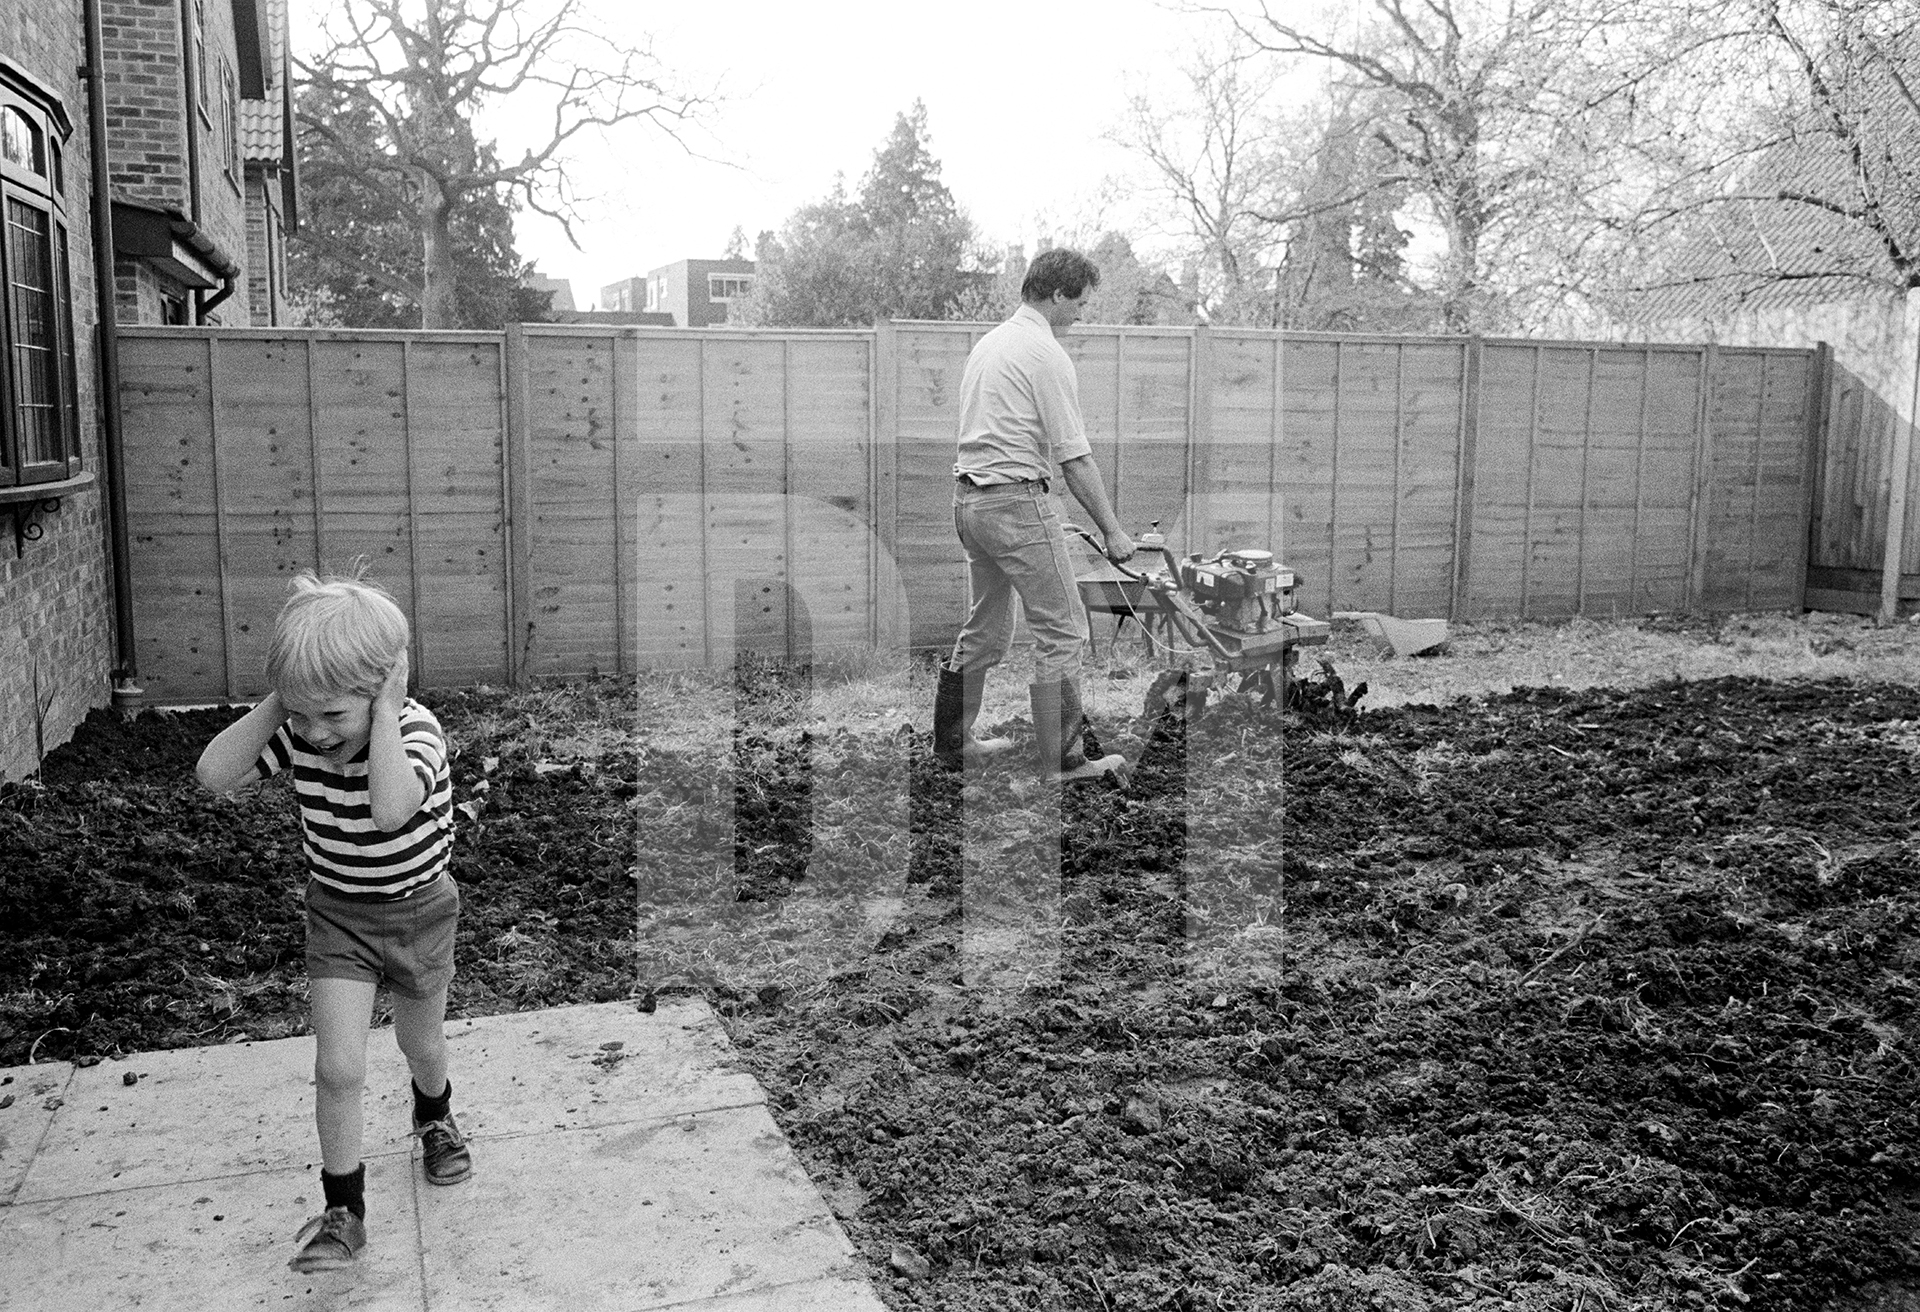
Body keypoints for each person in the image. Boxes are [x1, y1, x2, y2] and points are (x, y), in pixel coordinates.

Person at [194, 565, 469, 1273]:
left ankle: (433, 1113)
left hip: (420, 914)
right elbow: (214, 775)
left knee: (422, 1046)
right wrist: (280, 705)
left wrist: (380, 716)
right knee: (338, 1066)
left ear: (384, 690)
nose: (316, 735)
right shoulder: (302, 729)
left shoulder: (416, 734)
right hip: (339, 917)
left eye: (333, 715)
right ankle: (344, 1209)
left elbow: (389, 810)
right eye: (303, 712)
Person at [937, 247, 1134, 782]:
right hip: (1014, 505)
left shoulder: (991, 344)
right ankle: (1065, 763)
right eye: (1081, 303)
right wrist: (1112, 532)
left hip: (970, 502)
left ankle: (954, 744)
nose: (1082, 314)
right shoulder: (1045, 354)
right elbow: (1075, 455)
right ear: (1057, 294)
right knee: (1065, 629)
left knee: (988, 627)